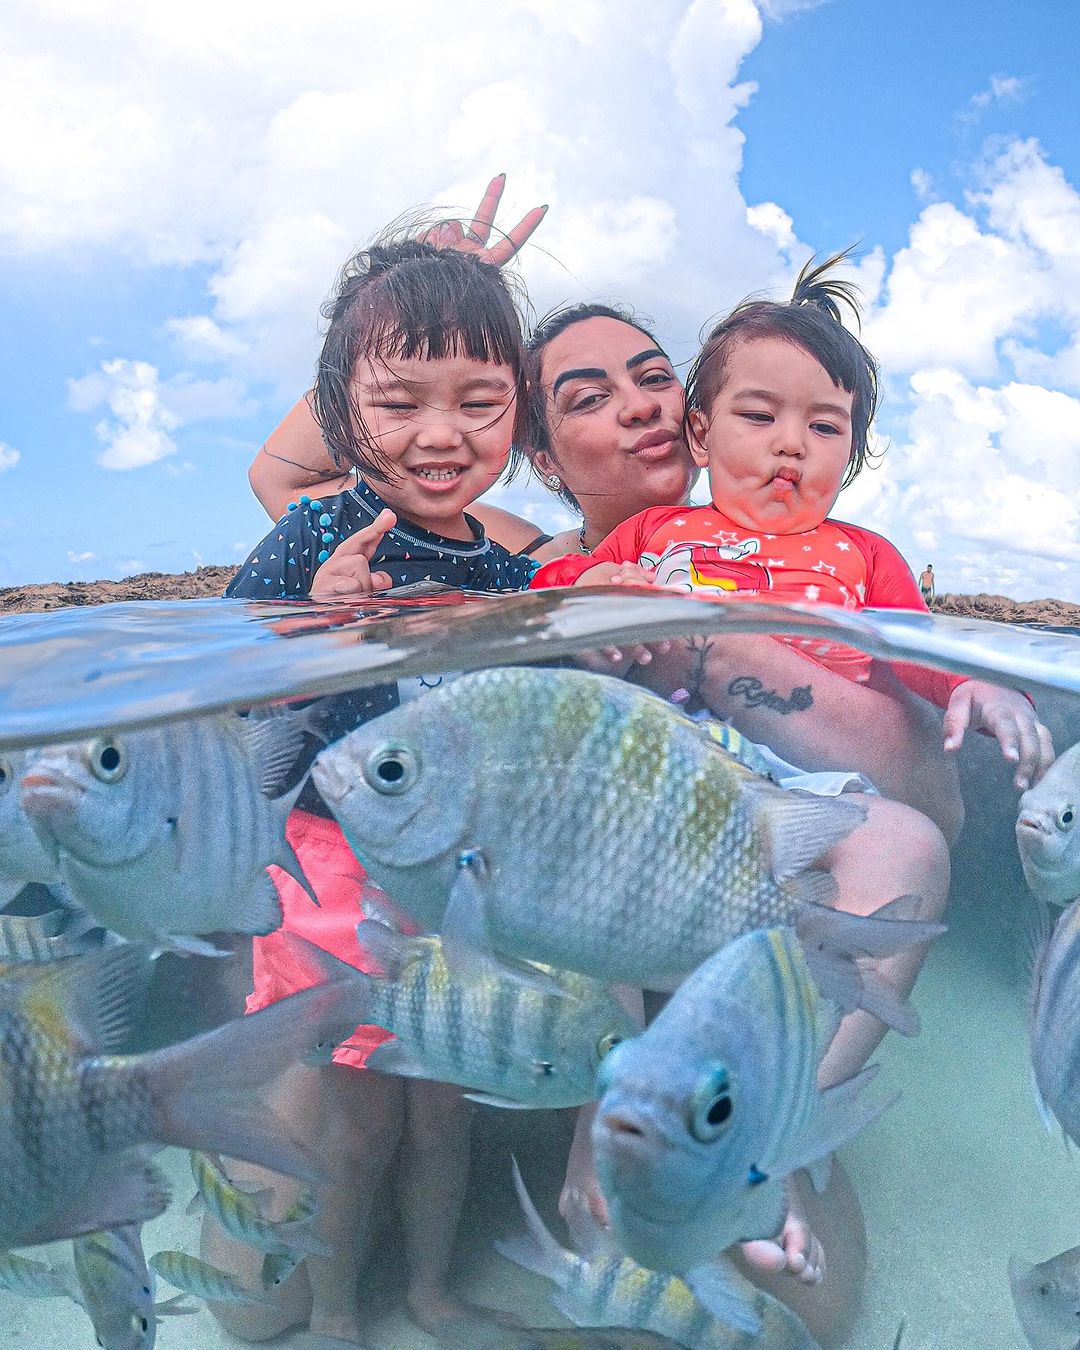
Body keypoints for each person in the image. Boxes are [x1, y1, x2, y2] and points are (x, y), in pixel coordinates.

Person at [211, 230, 541, 1347]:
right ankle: (343, 1311)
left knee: (443, 1118)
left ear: (519, 411)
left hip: (452, 876)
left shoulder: (504, 570)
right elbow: (233, 664)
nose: (440, 434)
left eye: (479, 401)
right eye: (400, 402)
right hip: (329, 872)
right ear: (344, 411)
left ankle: (432, 1294)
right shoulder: (316, 526)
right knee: (355, 1126)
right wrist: (312, 617)